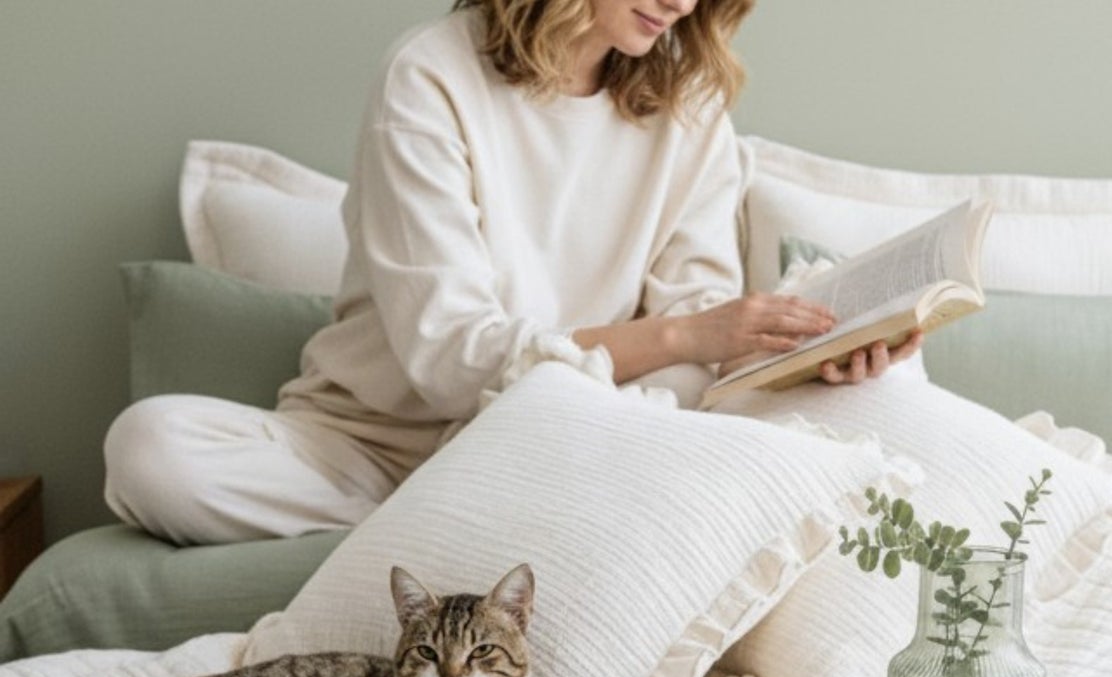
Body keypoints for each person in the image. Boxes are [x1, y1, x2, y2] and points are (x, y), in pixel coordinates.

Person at [103, 0, 921, 547]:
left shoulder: (689, 104)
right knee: (150, 447)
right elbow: (452, 359)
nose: (680, 2)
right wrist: (686, 333)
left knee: (783, 399)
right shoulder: (429, 76)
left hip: (561, 434)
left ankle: (466, 527)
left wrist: (806, 353)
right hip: (371, 447)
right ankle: (466, 525)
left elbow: (698, 342)